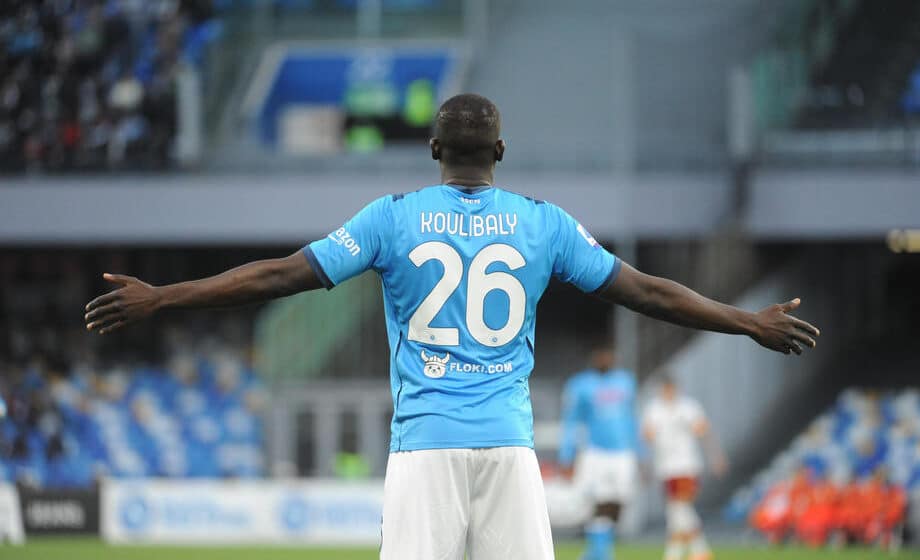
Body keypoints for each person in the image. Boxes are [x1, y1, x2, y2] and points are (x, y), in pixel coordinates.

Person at [83, 93, 820, 559]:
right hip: (509, 448)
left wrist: (165, 296)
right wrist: (745, 321)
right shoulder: (544, 224)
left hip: (425, 450)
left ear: (433, 151)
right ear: (500, 152)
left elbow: (279, 276)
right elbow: (648, 292)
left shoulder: (391, 218)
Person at [558, 342, 641, 560]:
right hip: (595, 452)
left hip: (623, 453)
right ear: (594, 358)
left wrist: (641, 453)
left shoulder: (626, 382)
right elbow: (571, 421)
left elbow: (632, 419)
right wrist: (567, 455)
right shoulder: (580, 384)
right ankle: (599, 550)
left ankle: (600, 548)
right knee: (595, 500)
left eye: (608, 355)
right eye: (601, 355)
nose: (605, 359)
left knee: (619, 500)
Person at [643, 375, 727, 560]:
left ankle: (685, 552)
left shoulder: (689, 407)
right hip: (665, 466)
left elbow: (704, 432)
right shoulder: (654, 409)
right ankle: (694, 551)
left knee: (680, 507)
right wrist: (647, 463)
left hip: (686, 464)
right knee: (676, 510)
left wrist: (716, 457)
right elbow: (647, 436)